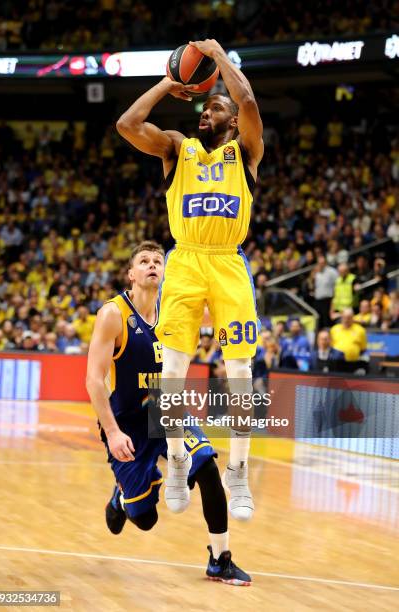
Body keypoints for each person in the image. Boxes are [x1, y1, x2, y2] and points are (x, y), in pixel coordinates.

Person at [116, 38, 264, 520]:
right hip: (185, 261)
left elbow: (247, 100)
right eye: (204, 106)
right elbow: (127, 125)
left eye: (215, 107)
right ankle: (178, 460)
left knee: (239, 373)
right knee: (173, 372)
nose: (207, 111)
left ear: (233, 122)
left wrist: (219, 57)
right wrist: (171, 81)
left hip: (227, 262)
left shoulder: (245, 151)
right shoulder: (178, 149)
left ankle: (238, 471)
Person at [86, 241, 251, 586]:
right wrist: (113, 432)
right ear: (131, 273)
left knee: (206, 463)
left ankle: (219, 559)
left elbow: (226, 312)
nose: (152, 265)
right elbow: (94, 381)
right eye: (143, 261)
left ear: (166, 271)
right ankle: (122, 494)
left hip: (166, 410)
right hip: (128, 421)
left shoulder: (178, 308)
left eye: (158, 261)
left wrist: (238, 283)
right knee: (145, 520)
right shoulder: (113, 315)